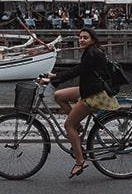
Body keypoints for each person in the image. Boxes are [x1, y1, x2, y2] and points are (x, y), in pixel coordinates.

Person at [43, 27, 118, 178]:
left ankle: (80, 161)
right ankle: (78, 126)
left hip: (94, 94)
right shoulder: (92, 51)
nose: (82, 40)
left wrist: (54, 79)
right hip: (89, 88)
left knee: (68, 125)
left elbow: (78, 71)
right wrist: (55, 75)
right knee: (59, 96)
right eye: (80, 37)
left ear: (92, 40)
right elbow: (79, 69)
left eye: (85, 37)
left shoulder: (92, 53)